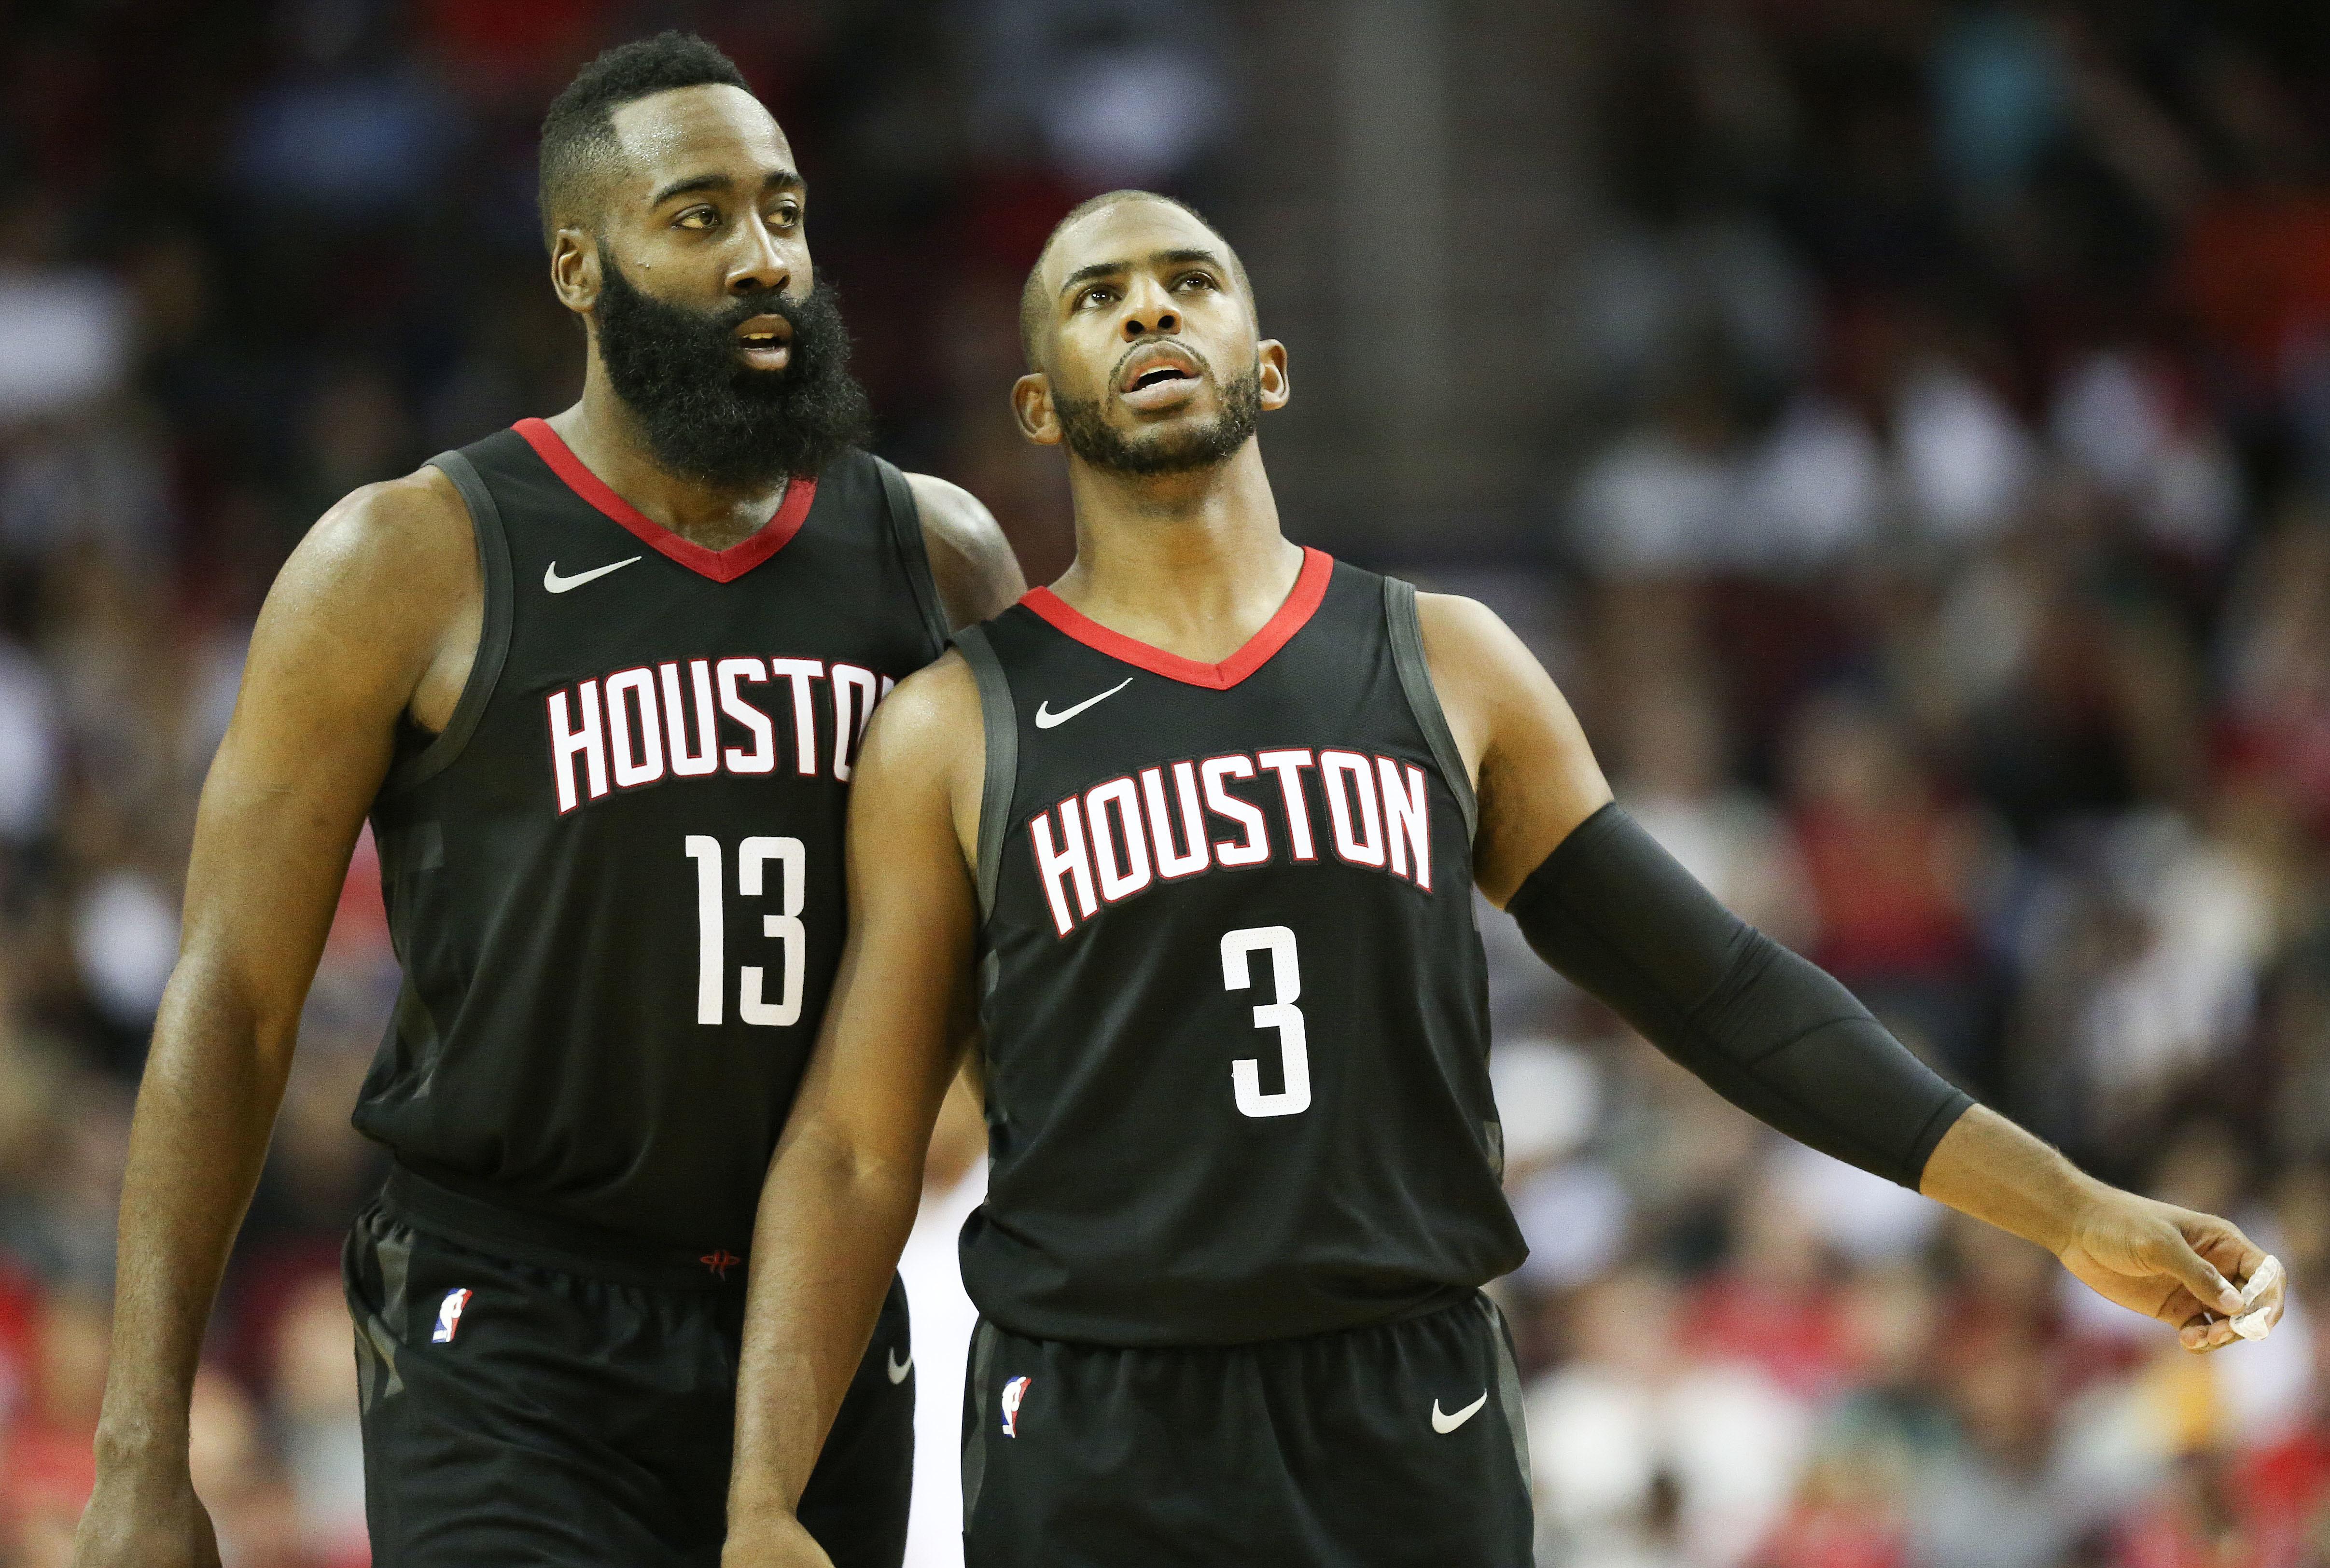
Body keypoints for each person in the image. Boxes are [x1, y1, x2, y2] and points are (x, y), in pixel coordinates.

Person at [715, 190, 2285, 1567]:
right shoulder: (954, 724)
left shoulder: (1444, 660)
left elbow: (1722, 990)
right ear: (1040, 409)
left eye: (1188, 280)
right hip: (1098, 1415)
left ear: (1266, 367)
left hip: (1411, 1398)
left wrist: (2068, 1208)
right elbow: (857, 1148)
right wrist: (763, 1499)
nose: (1145, 306)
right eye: (1094, 292)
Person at [71, 33, 1023, 1568]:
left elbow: (1030, 992)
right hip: (507, 1314)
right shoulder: (404, 559)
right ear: (580, 266)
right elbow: (235, 998)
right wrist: (139, 1445)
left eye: (782, 211)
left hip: (822, 1319)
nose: (763, 257)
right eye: (699, 216)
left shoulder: (940, 556)